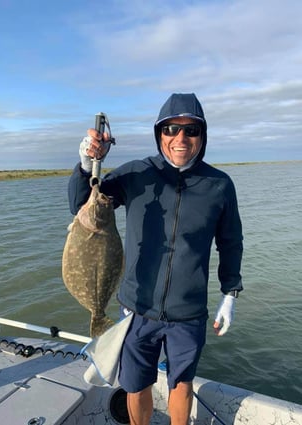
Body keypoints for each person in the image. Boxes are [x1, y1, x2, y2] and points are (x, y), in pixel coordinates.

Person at [68, 93, 243, 425]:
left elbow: (231, 242)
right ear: (159, 133)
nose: (181, 138)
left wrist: (229, 293)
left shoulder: (219, 185)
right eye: (171, 129)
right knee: (136, 385)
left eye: (191, 130)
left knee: (181, 383)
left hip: (188, 312)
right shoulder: (136, 174)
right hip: (136, 309)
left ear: (202, 136)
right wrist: (87, 165)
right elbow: (80, 204)